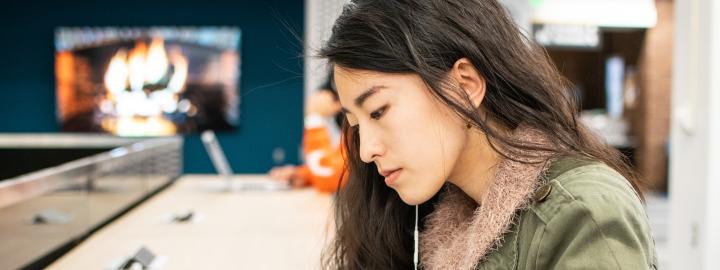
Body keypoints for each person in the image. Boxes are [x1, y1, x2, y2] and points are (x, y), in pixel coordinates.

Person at [319, 0, 657, 269]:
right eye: (357, 125)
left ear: (465, 86)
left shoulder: (583, 213)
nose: (365, 151)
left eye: (379, 111)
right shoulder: (429, 216)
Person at [268, 76, 346, 193]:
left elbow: (329, 177)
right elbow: (342, 170)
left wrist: (314, 117)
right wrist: (303, 175)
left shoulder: (358, 130)